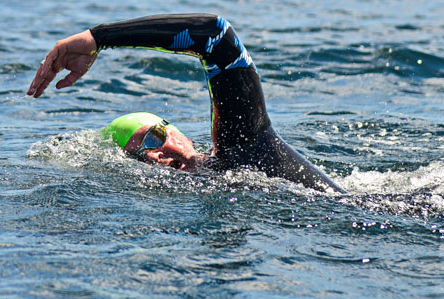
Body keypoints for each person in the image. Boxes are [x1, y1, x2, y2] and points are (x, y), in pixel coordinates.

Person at [28, 14, 345, 193]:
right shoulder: (200, 195)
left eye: (153, 138)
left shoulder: (243, 144)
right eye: (140, 157)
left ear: (181, 135)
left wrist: (100, 38)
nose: (156, 154)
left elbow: (216, 36)